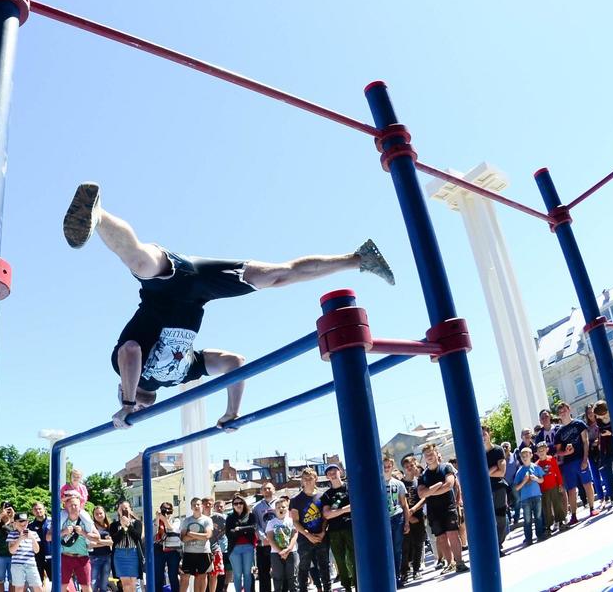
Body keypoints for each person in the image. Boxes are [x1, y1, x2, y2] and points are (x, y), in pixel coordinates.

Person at [61, 183, 394, 429]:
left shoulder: (126, 375)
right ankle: (360, 258)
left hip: (164, 287)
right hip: (201, 289)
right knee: (278, 275)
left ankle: (99, 213)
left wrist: (129, 403)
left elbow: (131, 351)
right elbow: (235, 363)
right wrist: (233, 410)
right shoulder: (182, 374)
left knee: (139, 260)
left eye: (123, 396)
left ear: (121, 390)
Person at [288, 467, 330, 591]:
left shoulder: (323, 496)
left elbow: (325, 517)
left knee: (324, 566)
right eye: (304, 479)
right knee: (304, 567)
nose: (307, 481)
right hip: (304, 538)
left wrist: (323, 531)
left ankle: (327, 589)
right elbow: (295, 521)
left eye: (310, 478)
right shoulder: (295, 500)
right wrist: (308, 535)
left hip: (321, 536)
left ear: (315, 479)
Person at [552, 402, 593, 527]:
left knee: (587, 484)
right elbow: (558, 451)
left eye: (564, 410)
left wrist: (585, 459)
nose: (563, 413)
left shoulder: (579, 424)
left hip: (581, 458)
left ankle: (592, 508)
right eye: (560, 412)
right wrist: (566, 452)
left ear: (569, 410)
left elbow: (585, 442)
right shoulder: (559, 432)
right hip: (568, 463)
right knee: (571, 489)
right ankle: (574, 515)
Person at [320, 463, 355, 591]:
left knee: (353, 558)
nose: (332, 474)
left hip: (351, 528)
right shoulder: (327, 495)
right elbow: (327, 514)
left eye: (334, 471)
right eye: (329, 473)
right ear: (327, 477)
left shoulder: (350, 488)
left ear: (340, 472)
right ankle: (346, 586)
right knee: (340, 560)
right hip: (334, 531)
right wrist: (345, 509)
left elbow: (356, 506)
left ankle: (357, 584)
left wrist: (336, 512)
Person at [379, 455, 408, 584]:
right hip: (383, 519)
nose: (386, 468)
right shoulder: (377, 483)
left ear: (392, 467)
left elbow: (404, 504)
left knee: (397, 548)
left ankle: (397, 576)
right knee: (385, 548)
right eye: (384, 466)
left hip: (397, 517)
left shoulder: (399, 483)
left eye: (389, 466)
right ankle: (387, 577)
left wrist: (406, 522)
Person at [483, 428, 511, 551]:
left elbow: (501, 472)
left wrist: (486, 474)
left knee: (501, 517)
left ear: (489, 434)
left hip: (498, 488)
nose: (482, 436)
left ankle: (499, 544)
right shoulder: (477, 453)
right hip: (484, 490)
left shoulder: (498, 450)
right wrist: (492, 470)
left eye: (484, 433)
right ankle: (492, 546)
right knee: (488, 519)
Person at [400, 455, 426, 584]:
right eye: (407, 467)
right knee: (405, 546)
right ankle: (404, 572)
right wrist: (408, 516)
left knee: (418, 544)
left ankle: (417, 569)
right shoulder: (401, 483)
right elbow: (400, 502)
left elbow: (424, 498)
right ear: (403, 469)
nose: (409, 468)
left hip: (419, 516)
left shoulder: (420, 481)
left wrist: (413, 510)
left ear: (415, 465)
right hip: (405, 518)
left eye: (411, 466)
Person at [179, 496, 214, 592]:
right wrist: (199, 535)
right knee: (184, 577)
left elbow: (207, 535)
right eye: (194, 505)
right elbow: (183, 538)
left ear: (202, 506)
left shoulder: (207, 520)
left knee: (202, 577)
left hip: (203, 552)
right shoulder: (186, 520)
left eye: (198, 504)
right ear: (191, 507)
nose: (196, 506)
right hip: (189, 553)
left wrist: (190, 533)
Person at [265, 496, 299, 591]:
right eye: (278, 507)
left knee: (293, 577)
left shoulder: (292, 521)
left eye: (283, 507)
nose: (281, 509)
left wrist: (288, 549)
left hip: (291, 552)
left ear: (287, 508)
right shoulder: (271, 523)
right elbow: (270, 538)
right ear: (275, 510)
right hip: (276, 553)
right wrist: (280, 551)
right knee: (278, 577)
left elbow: (294, 535)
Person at [511, 447, 544, 547]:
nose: (525, 458)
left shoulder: (536, 467)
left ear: (531, 456)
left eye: (527, 456)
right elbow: (516, 488)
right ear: (520, 458)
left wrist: (536, 479)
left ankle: (540, 535)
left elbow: (542, 480)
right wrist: (524, 480)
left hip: (537, 496)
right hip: (525, 499)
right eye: (523, 456)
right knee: (527, 519)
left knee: (538, 517)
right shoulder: (520, 471)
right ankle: (528, 538)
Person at [109, 501, 145, 592]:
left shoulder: (137, 523)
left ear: (130, 509)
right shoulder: (114, 525)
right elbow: (115, 540)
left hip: (133, 554)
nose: (124, 510)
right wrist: (123, 527)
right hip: (119, 555)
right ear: (118, 511)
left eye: (126, 508)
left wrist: (128, 525)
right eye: (121, 508)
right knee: (125, 584)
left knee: (133, 582)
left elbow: (137, 537)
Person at [224, 495, 256, 592]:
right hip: (234, 549)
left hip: (248, 548)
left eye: (240, 503)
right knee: (237, 574)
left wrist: (239, 529)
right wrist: (245, 530)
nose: (238, 505)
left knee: (247, 573)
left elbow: (253, 528)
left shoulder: (251, 516)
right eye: (236, 503)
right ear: (233, 505)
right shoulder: (230, 518)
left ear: (244, 504)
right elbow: (229, 533)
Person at [250, 480, 278, 592]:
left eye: (269, 488)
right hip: (264, 543)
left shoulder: (280, 503)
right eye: (264, 489)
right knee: (263, 572)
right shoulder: (256, 507)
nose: (267, 490)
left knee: (279, 572)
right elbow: (256, 525)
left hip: (278, 543)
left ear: (274, 489)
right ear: (261, 491)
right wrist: (263, 537)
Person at [8, 512, 45, 592]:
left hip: (31, 564)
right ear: (15, 523)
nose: (23, 523)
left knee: (38, 587)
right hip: (17, 565)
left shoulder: (34, 534)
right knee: (19, 588)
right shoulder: (12, 534)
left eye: (25, 521)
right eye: (21, 521)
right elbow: (11, 551)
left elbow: (36, 550)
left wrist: (32, 538)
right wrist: (20, 539)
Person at [534, 441, 562, 541]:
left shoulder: (551, 459)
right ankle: (548, 526)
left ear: (547, 450)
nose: (541, 452)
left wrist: (560, 483)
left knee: (557, 504)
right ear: (536, 453)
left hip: (554, 485)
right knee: (546, 508)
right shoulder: (536, 465)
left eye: (543, 450)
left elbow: (557, 472)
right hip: (543, 489)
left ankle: (561, 521)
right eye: (539, 451)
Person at [155, 500, 183, 592]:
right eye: (164, 510)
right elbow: (154, 532)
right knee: (158, 575)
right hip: (159, 548)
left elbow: (172, 528)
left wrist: (165, 520)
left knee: (173, 575)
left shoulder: (176, 520)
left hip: (173, 550)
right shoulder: (158, 520)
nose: (166, 512)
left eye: (169, 510)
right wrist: (158, 519)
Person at [88, 503, 115, 592]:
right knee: (93, 583)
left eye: (100, 513)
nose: (99, 515)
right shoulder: (91, 526)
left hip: (107, 557)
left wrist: (98, 541)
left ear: (104, 514)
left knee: (104, 584)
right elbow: (91, 544)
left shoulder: (110, 527)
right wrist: (105, 542)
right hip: (94, 558)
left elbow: (112, 542)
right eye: (96, 514)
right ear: (93, 515)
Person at [28, 502, 53, 591]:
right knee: (38, 583)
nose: (38, 511)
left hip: (52, 556)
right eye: (35, 509)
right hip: (37, 557)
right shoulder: (30, 526)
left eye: (40, 509)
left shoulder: (53, 522)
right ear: (32, 512)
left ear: (44, 509)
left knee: (58, 581)